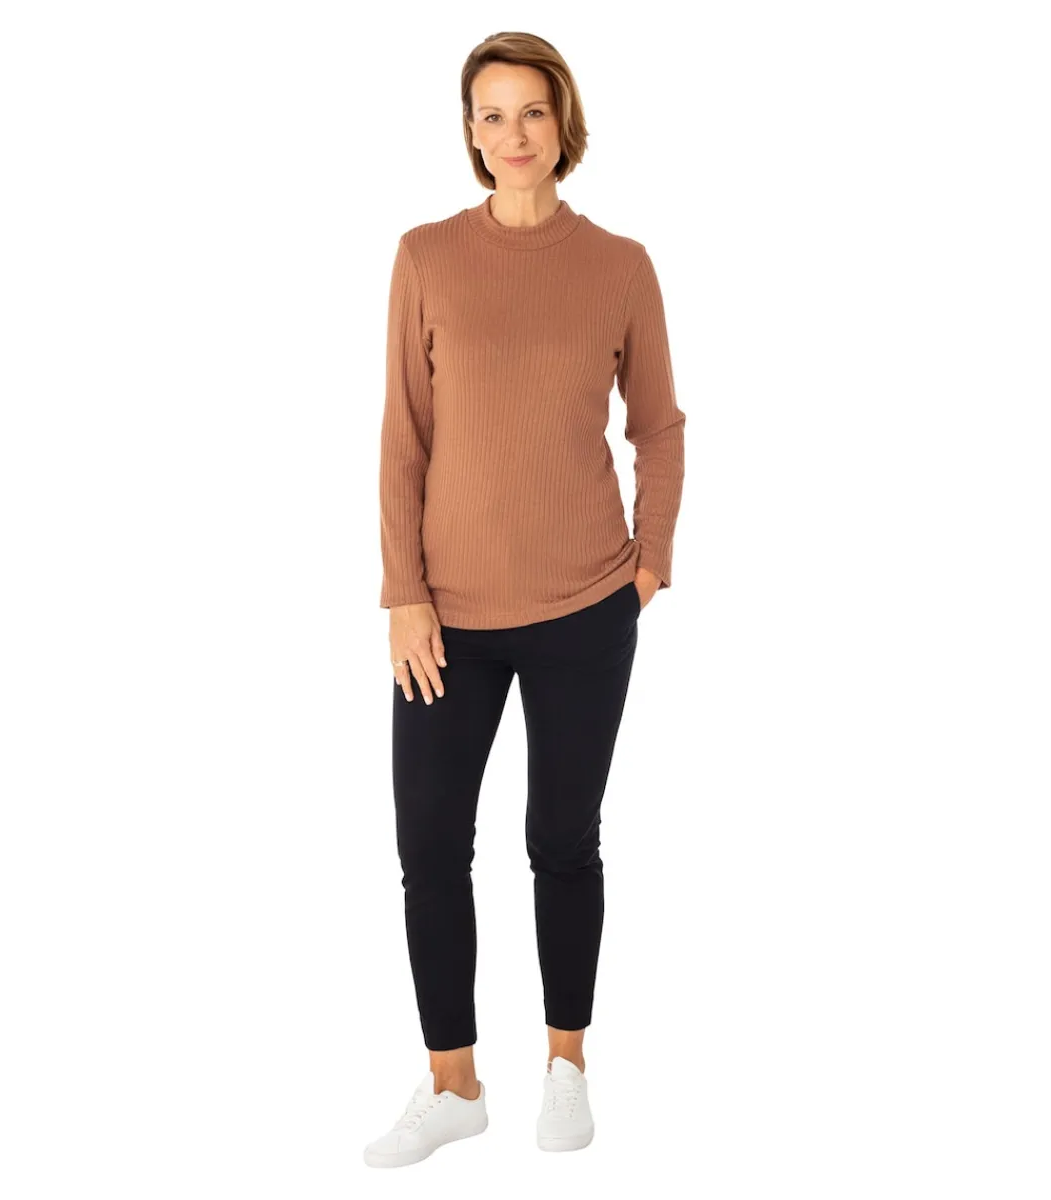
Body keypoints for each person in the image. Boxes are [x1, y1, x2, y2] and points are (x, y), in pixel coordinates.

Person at [364, 30, 686, 1168]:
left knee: (562, 838)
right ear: (469, 130)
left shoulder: (620, 266)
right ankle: (454, 1085)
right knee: (428, 845)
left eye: (532, 112)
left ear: (563, 124)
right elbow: (404, 438)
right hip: (446, 615)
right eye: (491, 114)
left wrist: (649, 562)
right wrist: (403, 593)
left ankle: (566, 1064)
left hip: (586, 608)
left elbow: (659, 426)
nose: (513, 134)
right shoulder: (425, 257)